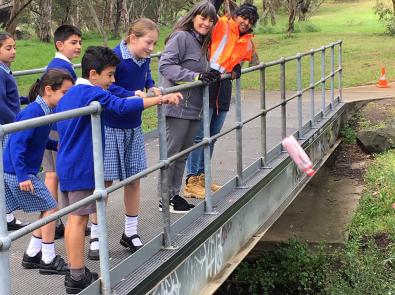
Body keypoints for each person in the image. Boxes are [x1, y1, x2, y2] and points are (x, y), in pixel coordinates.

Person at [56, 46, 181, 294]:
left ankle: (76, 272)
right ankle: (76, 277)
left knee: (75, 219)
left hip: (68, 162)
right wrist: (160, 99)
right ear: (94, 74)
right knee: (78, 220)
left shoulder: (71, 93)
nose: (113, 81)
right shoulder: (91, 92)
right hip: (81, 164)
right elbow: (120, 106)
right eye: (110, 75)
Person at [87, 18, 161, 260]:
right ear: (132, 38)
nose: (151, 48)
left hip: (134, 126)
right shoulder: (115, 57)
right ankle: (96, 234)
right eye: (147, 42)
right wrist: (131, 95)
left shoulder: (144, 58)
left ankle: (130, 232)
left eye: (153, 44)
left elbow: (146, 76)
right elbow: (106, 86)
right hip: (111, 126)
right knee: (105, 183)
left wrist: (152, 87)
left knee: (134, 179)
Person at [184, 1, 259, 198]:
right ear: (236, 15)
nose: (245, 22)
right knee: (200, 135)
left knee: (213, 136)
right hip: (208, 81)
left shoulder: (248, 40)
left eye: (250, 20)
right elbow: (210, 7)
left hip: (224, 87)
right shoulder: (222, 24)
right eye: (243, 17)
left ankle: (203, 178)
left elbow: (239, 58)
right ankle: (191, 180)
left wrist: (237, 67)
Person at [3, 69, 73, 275]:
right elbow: (16, 146)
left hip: (20, 170)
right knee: (51, 207)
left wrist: (54, 145)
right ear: (49, 90)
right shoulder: (33, 112)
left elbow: (38, 139)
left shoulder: (44, 111)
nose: (66, 98)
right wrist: (23, 176)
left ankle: (32, 254)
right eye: (65, 93)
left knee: (46, 208)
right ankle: (48, 258)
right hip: (17, 172)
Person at [158, 0, 220, 213]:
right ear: (194, 16)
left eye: (211, 20)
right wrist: (194, 76)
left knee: (183, 154)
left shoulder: (202, 43)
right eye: (203, 18)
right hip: (177, 105)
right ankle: (164, 198)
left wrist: (210, 73)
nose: (206, 23)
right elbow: (166, 66)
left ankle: (174, 195)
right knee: (172, 153)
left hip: (194, 107)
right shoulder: (181, 37)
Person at [44, 25, 82, 239]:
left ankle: (55, 220)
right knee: (54, 175)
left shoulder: (62, 65)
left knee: (53, 175)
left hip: (54, 126)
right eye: (73, 43)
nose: (78, 46)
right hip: (58, 128)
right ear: (60, 44)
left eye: (79, 42)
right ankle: (55, 220)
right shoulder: (60, 68)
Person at [0, 31, 30, 231]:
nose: (13, 51)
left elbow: (9, 98)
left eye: (14, 47)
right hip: (6, 129)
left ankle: (7, 216)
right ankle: (6, 217)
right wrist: (17, 122)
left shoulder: (5, 70)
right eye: (8, 48)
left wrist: (25, 100)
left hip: (8, 126)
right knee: (4, 173)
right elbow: (1, 104)